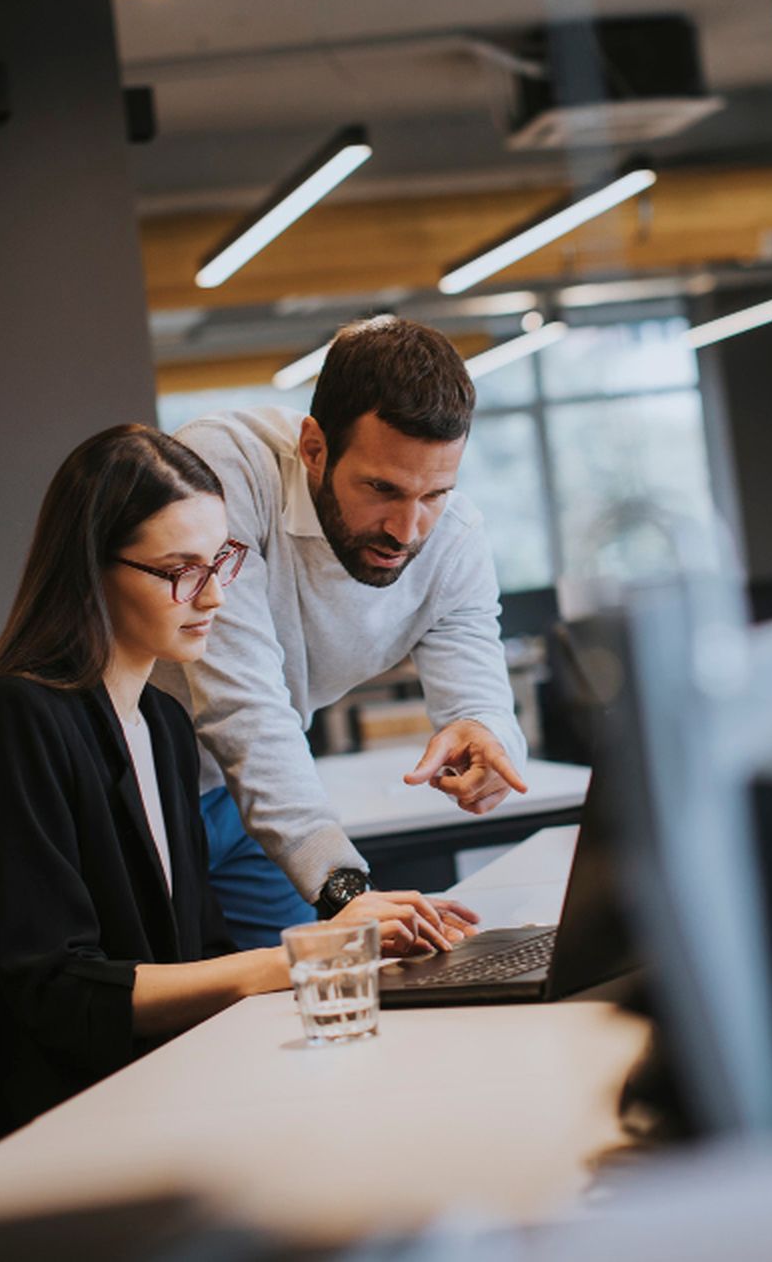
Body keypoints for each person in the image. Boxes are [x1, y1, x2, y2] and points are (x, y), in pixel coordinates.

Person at [0, 425, 473, 1130]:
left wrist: (348, 954)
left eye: (224, 562)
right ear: (92, 568)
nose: (214, 597)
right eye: (182, 570)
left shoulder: (162, 726)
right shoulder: (14, 721)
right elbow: (60, 993)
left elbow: (199, 953)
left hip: (169, 1083)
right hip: (84, 1119)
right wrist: (300, 957)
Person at [155, 316, 527, 948]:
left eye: (435, 493)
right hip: (136, 792)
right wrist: (344, 890)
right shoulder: (223, 470)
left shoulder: (454, 539)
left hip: (248, 802)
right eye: (382, 488)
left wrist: (488, 735)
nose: (408, 530)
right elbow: (242, 703)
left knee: (284, 997)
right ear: (314, 448)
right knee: (149, 1013)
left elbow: (477, 689)